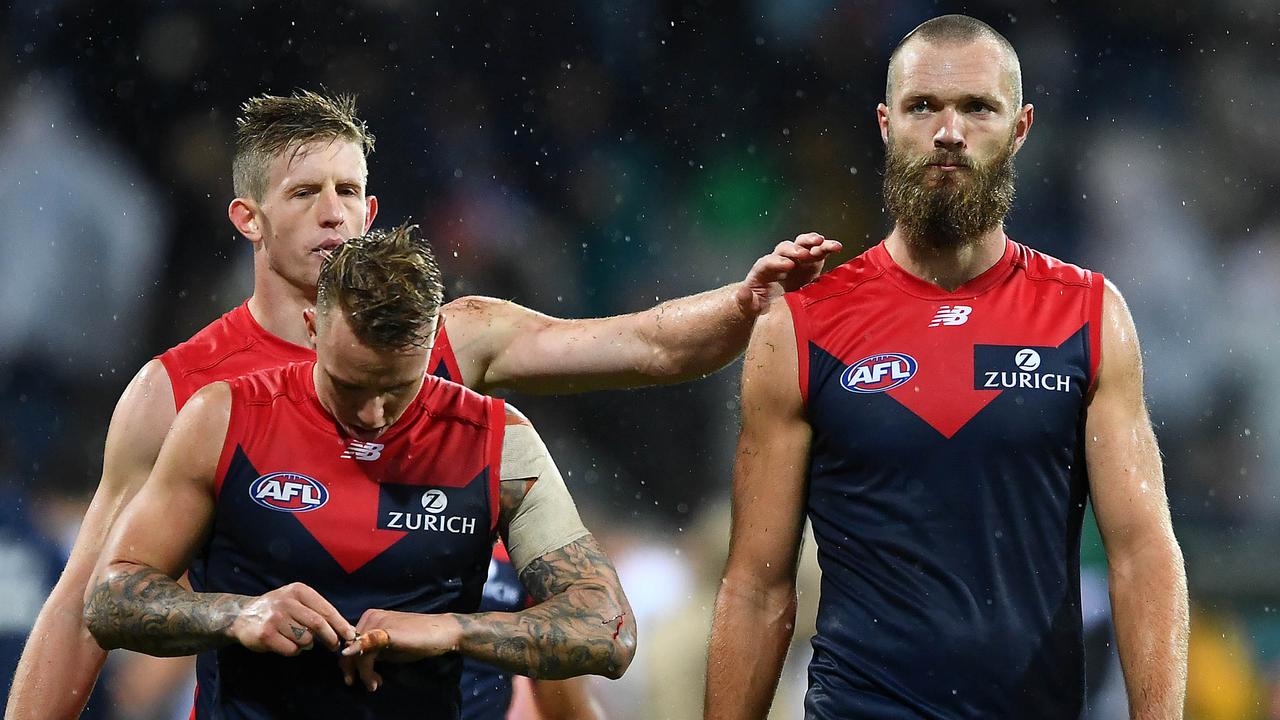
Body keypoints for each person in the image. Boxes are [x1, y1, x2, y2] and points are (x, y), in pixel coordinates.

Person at [6, 91, 840, 719]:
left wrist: (743, 301)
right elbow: (89, 600)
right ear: (248, 218)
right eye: (304, 193)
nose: (333, 212)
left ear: (373, 211)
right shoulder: (183, 392)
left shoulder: (454, 339)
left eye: (348, 191)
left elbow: (651, 346)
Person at [704, 14, 1189, 719]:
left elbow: (1145, 557)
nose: (949, 131)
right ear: (884, 122)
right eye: (923, 106)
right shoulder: (802, 325)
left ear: (1020, 128)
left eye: (977, 108)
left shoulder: (1088, 315)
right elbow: (756, 587)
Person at [82, 226, 635, 717]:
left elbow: (608, 630)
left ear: (429, 348)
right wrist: (236, 614)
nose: (373, 415)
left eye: (399, 388)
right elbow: (108, 600)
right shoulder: (223, 419)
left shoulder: (499, 443)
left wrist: (451, 631)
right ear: (311, 331)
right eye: (350, 384)